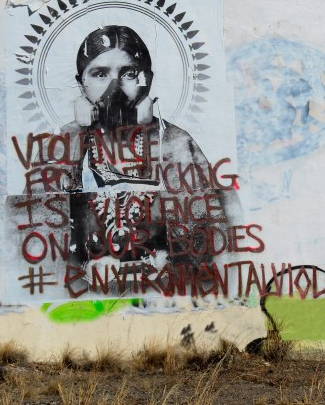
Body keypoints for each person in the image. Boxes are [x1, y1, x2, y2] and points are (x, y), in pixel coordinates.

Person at [59, 25, 239, 297]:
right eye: (99, 74)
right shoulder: (67, 143)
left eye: (128, 73)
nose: (114, 88)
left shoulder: (175, 142)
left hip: (166, 300)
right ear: (81, 81)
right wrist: (77, 135)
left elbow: (205, 247)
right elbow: (44, 243)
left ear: (148, 79)